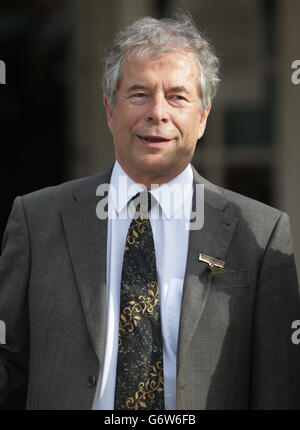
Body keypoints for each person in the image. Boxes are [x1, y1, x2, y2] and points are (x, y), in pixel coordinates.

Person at [0, 12, 300, 410]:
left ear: (203, 116)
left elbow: (277, 388)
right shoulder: (36, 220)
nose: (157, 113)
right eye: (139, 94)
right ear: (110, 109)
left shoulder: (262, 235)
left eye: (177, 96)